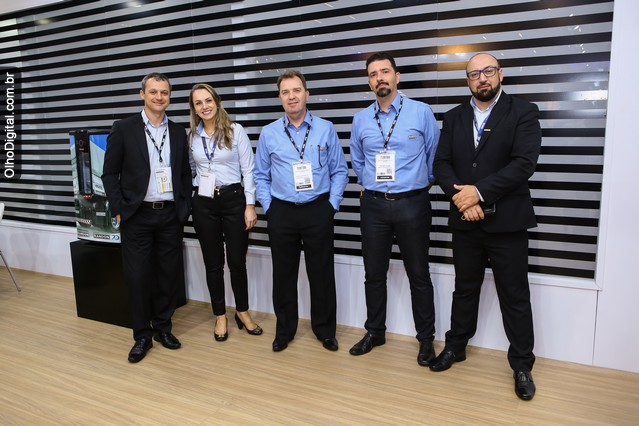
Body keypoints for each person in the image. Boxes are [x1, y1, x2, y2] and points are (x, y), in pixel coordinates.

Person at [430, 53, 542, 401]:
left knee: (515, 296)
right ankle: (456, 346)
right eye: (474, 73)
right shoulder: (454, 117)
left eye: (488, 71)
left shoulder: (523, 112)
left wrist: (477, 193)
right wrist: (463, 199)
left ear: (500, 74)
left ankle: (521, 365)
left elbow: (523, 164)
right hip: (466, 222)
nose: (482, 78)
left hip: (508, 223)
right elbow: (441, 164)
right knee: (464, 289)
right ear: (467, 80)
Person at [348, 52, 440, 367]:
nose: (380, 78)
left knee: (419, 275)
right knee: (373, 274)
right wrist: (375, 186)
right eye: (373, 74)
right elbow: (358, 161)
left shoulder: (421, 112)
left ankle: (426, 339)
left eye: (385, 72)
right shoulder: (361, 119)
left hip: (413, 204)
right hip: (373, 205)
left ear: (397, 77)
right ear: (369, 82)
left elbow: (434, 157)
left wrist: (417, 184)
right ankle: (375, 332)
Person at [254, 70, 349, 352]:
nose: (291, 96)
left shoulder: (325, 129)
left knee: (322, 274)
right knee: (283, 275)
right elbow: (260, 175)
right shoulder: (269, 133)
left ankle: (325, 331)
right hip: (282, 211)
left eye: (296, 90)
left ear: (307, 94)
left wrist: (331, 205)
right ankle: (284, 331)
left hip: (318, 209)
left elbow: (339, 171)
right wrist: (269, 208)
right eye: (285, 92)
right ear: (280, 98)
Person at [103, 72, 192, 363]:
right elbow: (109, 173)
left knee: (168, 275)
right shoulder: (124, 128)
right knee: (138, 277)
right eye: (153, 92)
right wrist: (120, 208)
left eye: (164, 92)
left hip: (169, 215)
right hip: (137, 215)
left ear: (169, 96)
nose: (159, 97)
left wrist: (184, 208)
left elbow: (184, 173)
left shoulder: (177, 131)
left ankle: (163, 328)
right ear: (142, 94)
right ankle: (142, 335)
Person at [187, 83, 262, 341]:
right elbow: (191, 169)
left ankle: (242, 311)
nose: (205, 106)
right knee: (213, 263)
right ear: (194, 108)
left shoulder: (235, 130)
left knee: (237, 262)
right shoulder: (192, 137)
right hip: (204, 202)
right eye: (199, 103)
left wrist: (250, 205)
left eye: (208, 100)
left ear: (217, 102)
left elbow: (248, 169)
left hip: (233, 201)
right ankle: (220, 315)